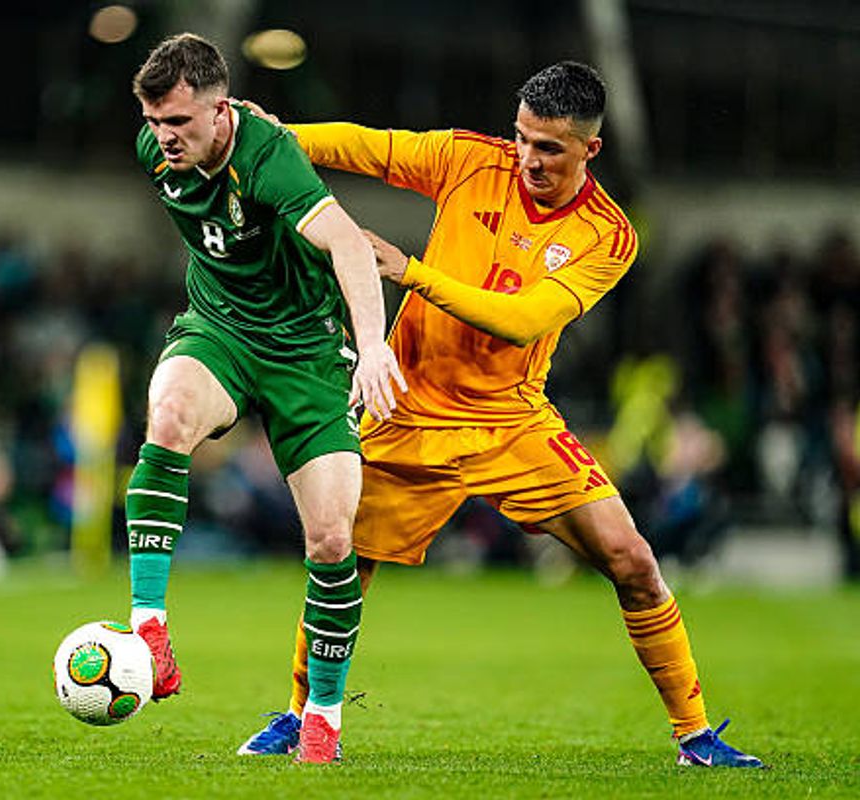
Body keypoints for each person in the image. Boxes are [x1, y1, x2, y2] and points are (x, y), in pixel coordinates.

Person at [237, 61, 763, 768]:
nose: (527, 158)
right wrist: (262, 135)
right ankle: (301, 717)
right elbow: (365, 145)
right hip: (410, 406)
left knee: (633, 559)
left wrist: (411, 271)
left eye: (548, 147)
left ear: (589, 150)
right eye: (521, 138)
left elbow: (524, 319)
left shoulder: (608, 236)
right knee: (341, 564)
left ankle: (696, 737)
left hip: (513, 419)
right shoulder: (468, 161)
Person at [127, 33, 406, 763]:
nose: (166, 138)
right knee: (168, 416)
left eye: (182, 123)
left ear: (222, 112)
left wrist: (372, 344)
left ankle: (322, 715)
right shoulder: (154, 151)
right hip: (219, 330)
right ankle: (148, 628)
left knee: (332, 540)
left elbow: (347, 243)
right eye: (156, 123)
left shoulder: (268, 155)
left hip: (307, 353)